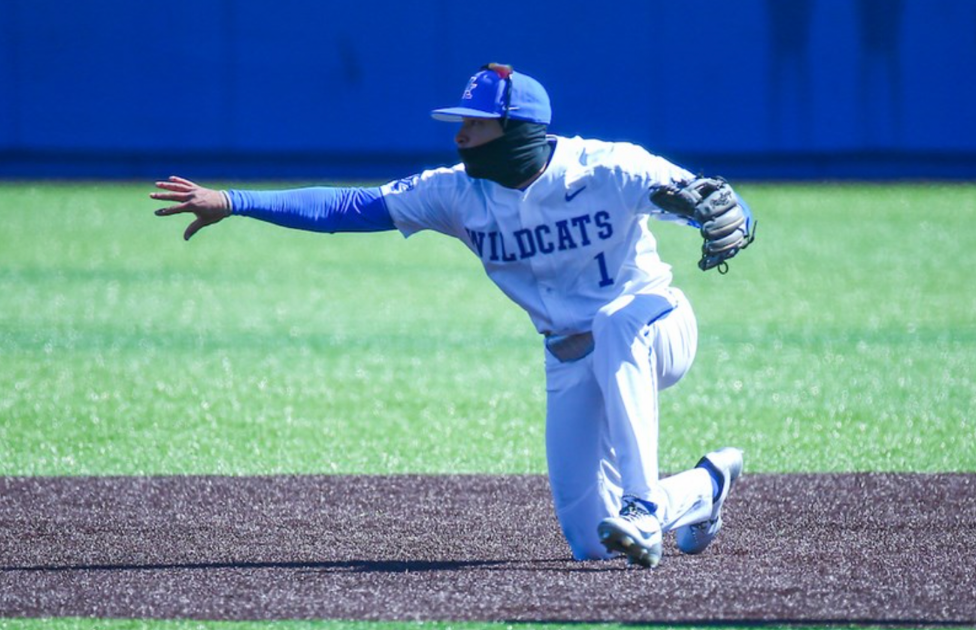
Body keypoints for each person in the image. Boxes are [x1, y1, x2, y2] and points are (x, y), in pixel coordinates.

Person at [150, 64, 755, 568]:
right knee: (590, 543)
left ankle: (646, 506)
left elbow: (724, 207)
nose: (460, 135)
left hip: (658, 326)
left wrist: (730, 219)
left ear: (516, 129)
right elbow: (346, 206)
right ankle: (704, 488)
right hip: (568, 356)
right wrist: (235, 201)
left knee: (615, 323)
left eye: (474, 122)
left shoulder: (608, 167)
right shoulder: (456, 193)